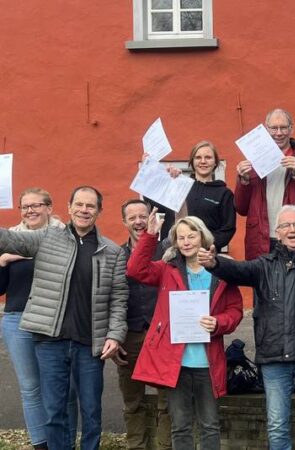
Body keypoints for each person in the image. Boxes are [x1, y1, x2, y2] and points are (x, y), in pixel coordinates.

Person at [198, 204, 295, 450]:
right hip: (273, 356)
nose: (292, 229)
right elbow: (237, 270)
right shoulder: (263, 265)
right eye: (285, 226)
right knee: (277, 426)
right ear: (277, 233)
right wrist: (214, 263)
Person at [0, 186, 128, 450]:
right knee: (53, 411)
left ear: (99, 211)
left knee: (92, 411)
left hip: (90, 343)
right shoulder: (47, 237)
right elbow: (11, 240)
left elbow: (118, 298)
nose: (84, 210)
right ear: (69, 207)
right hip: (50, 341)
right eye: (79, 205)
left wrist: (115, 335)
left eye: (90, 206)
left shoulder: (112, 252)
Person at [127, 212, 243, 450]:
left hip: (207, 363)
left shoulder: (221, 271)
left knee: (210, 425)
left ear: (203, 238)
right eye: (181, 238)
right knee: (180, 426)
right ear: (176, 242)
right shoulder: (166, 269)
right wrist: (150, 235)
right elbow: (135, 270)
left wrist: (219, 322)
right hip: (176, 363)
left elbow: (235, 310)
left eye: (192, 236)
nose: (187, 242)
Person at [0, 188, 75, 450]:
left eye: (36, 205)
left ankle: (62, 441)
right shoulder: (9, 239)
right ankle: (41, 444)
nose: (30, 211)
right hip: (16, 320)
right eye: (25, 207)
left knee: (62, 388)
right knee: (31, 389)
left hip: (55, 318)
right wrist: (2, 262)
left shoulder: (66, 237)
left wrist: (21, 255)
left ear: (49, 207)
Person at [116, 199, 172, 449]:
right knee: (133, 401)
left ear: (151, 218)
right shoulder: (116, 254)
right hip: (130, 334)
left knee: (167, 401)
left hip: (161, 334)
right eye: (132, 217)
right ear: (124, 222)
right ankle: (136, 445)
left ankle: (164, 446)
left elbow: (183, 223)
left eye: (143, 216)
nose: (138, 221)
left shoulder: (167, 251)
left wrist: (177, 188)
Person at [234, 108, 295, 260]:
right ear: (266, 130)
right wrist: (244, 180)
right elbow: (241, 208)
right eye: (274, 128)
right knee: (263, 283)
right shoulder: (253, 160)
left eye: (283, 127)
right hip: (262, 239)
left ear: (291, 128)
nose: (279, 133)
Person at [151, 141, 236, 250]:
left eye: (208, 157)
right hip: (175, 253)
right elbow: (154, 204)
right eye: (198, 157)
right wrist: (151, 171)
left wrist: (204, 244)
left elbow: (227, 230)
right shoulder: (180, 185)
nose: (203, 161)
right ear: (192, 162)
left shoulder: (224, 194)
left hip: (204, 254)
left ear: (215, 162)